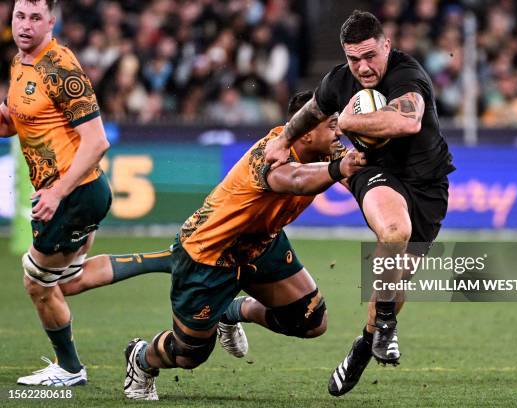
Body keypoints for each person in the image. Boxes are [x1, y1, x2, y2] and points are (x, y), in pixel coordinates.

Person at [121, 91, 366, 400]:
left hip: (260, 244)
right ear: (305, 131)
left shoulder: (327, 150)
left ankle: (233, 311)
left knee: (310, 319)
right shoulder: (271, 153)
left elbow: (359, 181)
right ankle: (141, 358)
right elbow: (298, 180)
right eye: (332, 124)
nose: (339, 131)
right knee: (190, 354)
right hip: (212, 252)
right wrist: (341, 168)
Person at [264, 10, 455, 396]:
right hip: (374, 172)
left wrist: (349, 123)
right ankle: (385, 325)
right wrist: (284, 140)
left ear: (387, 45)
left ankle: (365, 345)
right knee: (394, 230)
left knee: (394, 280)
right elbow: (313, 111)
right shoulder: (339, 81)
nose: (363, 67)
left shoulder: (408, 74)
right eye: (354, 59)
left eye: (370, 56)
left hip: (428, 187)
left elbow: (408, 122)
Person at [0, 0, 172, 387]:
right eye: (19, 16)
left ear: (51, 21)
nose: (25, 25)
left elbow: (97, 142)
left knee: (36, 281)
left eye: (35, 18)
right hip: (73, 192)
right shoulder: (19, 61)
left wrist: (57, 194)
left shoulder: (62, 69)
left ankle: (70, 369)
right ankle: (165, 260)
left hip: (75, 192)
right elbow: (18, 122)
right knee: (67, 281)